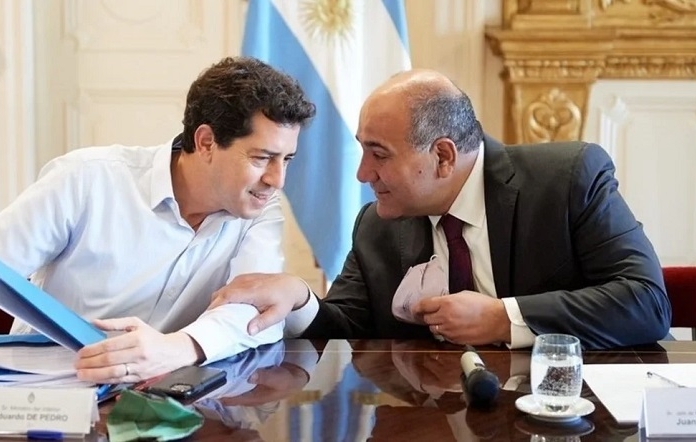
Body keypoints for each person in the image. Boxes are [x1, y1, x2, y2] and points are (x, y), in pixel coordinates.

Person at [0, 56, 316, 392]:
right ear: (206, 142)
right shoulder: (87, 180)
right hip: (41, 400)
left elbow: (257, 316)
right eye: (262, 158)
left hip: (165, 411)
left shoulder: (260, 209)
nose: (277, 180)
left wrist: (177, 348)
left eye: (287, 160)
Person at [210, 69, 671, 350]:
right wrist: (299, 298)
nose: (363, 174)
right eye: (363, 150)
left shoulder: (568, 180)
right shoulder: (377, 225)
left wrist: (502, 318)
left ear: (444, 156)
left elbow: (646, 302)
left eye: (379, 154)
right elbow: (346, 326)